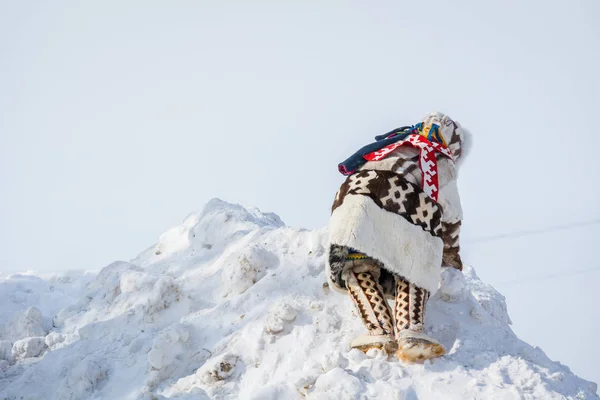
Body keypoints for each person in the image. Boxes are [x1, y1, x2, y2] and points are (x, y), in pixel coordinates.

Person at [327, 112, 469, 363]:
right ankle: (410, 332)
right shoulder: (437, 157)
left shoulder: (391, 146)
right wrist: (450, 256)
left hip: (352, 203)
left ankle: (378, 331)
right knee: (413, 268)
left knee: (358, 265)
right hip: (400, 201)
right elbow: (451, 215)